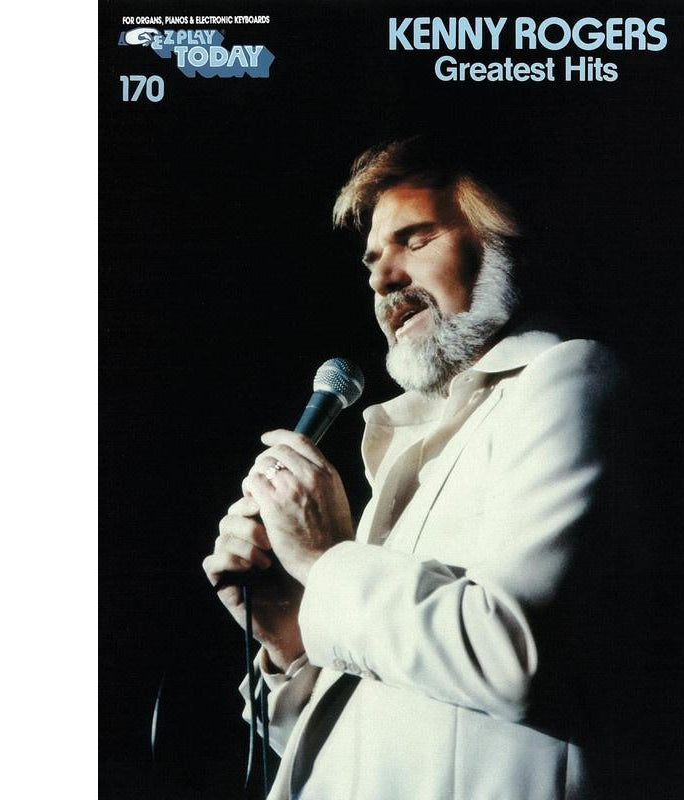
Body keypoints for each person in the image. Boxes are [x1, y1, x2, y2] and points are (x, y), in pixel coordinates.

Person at [203, 136, 633, 799]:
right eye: (373, 260)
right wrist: (290, 637)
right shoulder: (413, 451)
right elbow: (375, 742)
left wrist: (323, 560)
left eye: (416, 240)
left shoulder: (569, 376)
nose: (383, 279)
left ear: (502, 246)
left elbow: (514, 659)